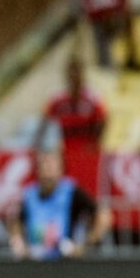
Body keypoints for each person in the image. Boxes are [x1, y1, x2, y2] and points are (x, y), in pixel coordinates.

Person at [8, 151, 111, 260]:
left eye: (52, 166)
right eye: (44, 166)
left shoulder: (72, 192)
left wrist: (84, 245)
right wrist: (18, 242)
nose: (47, 171)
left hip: (65, 261)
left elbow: (103, 215)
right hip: (34, 261)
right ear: (37, 170)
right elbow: (15, 221)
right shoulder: (29, 194)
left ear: (61, 170)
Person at [34, 57, 106, 194]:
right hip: (66, 154)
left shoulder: (92, 99)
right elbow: (44, 122)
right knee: (67, 190)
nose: (74, 77)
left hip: (88, 154)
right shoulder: (58, 99)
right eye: (71, 73)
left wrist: (95, 142)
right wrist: (36, 145)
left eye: (77, 73)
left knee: (89, 190)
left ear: (82, 75)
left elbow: (103, 121)